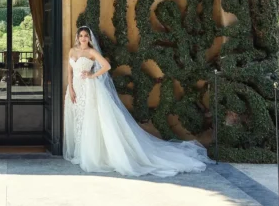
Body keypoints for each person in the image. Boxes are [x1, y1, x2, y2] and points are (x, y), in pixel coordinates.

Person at [63, 26, 213, 177]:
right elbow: (69, 71)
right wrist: (70, 89)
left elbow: (106, 66)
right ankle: (81, 152)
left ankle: (91, 155)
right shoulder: (72, 51)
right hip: (75, 88)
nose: (83, 38)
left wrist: (91, 75)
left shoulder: (91, 52)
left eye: (86, 36)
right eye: (81, 35)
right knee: (79, 120)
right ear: (77, 37)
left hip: (89, 89)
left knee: (90, 121)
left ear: (89, 38)